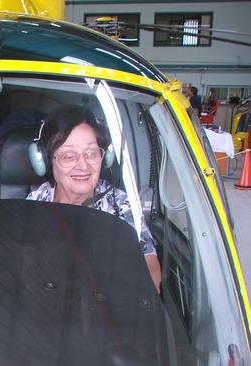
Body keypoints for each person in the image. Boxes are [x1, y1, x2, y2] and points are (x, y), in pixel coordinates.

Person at [26, 105, 161, 292]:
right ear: (46, 161)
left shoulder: (122, 206)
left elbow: (150, 268)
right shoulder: (34, 205)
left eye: (91, 153)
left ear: (105, 158)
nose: (83, 166)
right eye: (68, 155)